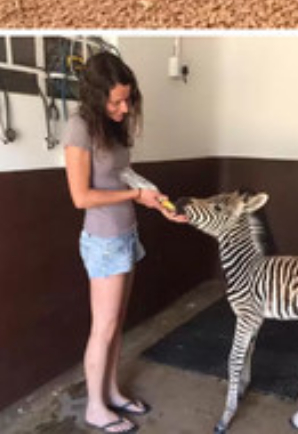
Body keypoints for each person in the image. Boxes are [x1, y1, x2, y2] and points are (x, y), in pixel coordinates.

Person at [63, 51, 184, 434]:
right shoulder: (78, 127)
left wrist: (156, 199)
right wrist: (134, 198)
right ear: (96, 96)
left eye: (128, 98)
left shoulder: (112, 126)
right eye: (116, 100)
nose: (124, 107)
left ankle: (111, 392)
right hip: (103, 240)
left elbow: (123, 172)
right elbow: (81, 197)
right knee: (103, 325)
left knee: (116, 324)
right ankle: (96, 408)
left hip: (126, 234)